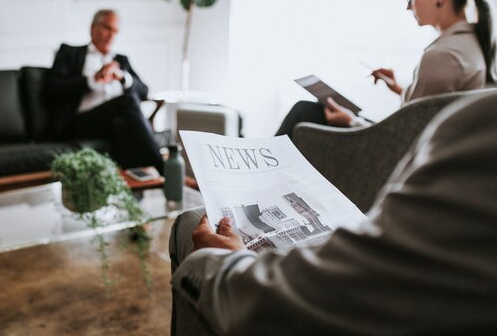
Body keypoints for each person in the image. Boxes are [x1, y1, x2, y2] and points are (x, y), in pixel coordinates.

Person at [170, 90, 497, 335]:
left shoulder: (478, 120)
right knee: (306, 108)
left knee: (191, 225)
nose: (409, 7)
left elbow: (347, 294)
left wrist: (223, 262)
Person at [276, 0, 495, 139]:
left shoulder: (442, 56)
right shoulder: (473, 44)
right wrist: (400, 88)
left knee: (303, 112)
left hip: (396, 160)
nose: (408, 7)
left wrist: (351, 122)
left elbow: (403, 141)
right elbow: (431, 107)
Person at [46, 9, 164, 172]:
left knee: (119, 125)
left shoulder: (121, 60)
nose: (111, 36)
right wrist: (92, 80)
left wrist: (123, 77)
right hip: (80, 122)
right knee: (128, 100)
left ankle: (129, 188)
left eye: (115, 31)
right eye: (107, 28)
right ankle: (162, 166)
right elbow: (53, 89)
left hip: (112, 121)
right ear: (93, 28)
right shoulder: (70, 53)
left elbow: (144, 92)